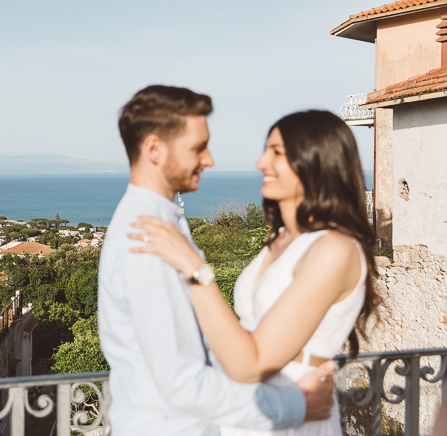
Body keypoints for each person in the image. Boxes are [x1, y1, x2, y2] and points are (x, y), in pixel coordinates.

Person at [99, 86, 335, 436]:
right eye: (198, 147)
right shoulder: (146, 237)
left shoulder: (159, 224)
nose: (209, 160)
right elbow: (182, 381)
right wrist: (297, 406)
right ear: (154, 149)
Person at [128, 109, 381, 436]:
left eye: (276, 152)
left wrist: (193, 267)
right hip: (248, 410)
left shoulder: (335, 249)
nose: (261, 162)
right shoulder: (279, 239)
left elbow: (254, 363)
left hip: (293, 413)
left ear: (316, 159)